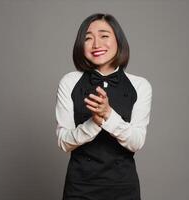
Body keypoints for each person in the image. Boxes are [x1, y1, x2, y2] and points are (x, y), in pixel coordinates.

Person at [55, 13, 152, 200]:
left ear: (118, 40)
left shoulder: (140, 85)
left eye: (104, 36)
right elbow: (63, 142)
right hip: (79, 187)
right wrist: (94, 123)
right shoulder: (69, 81)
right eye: (88, 38)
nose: (96, 44)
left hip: (123, 187)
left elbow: (136, 142)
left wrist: (108, 115)